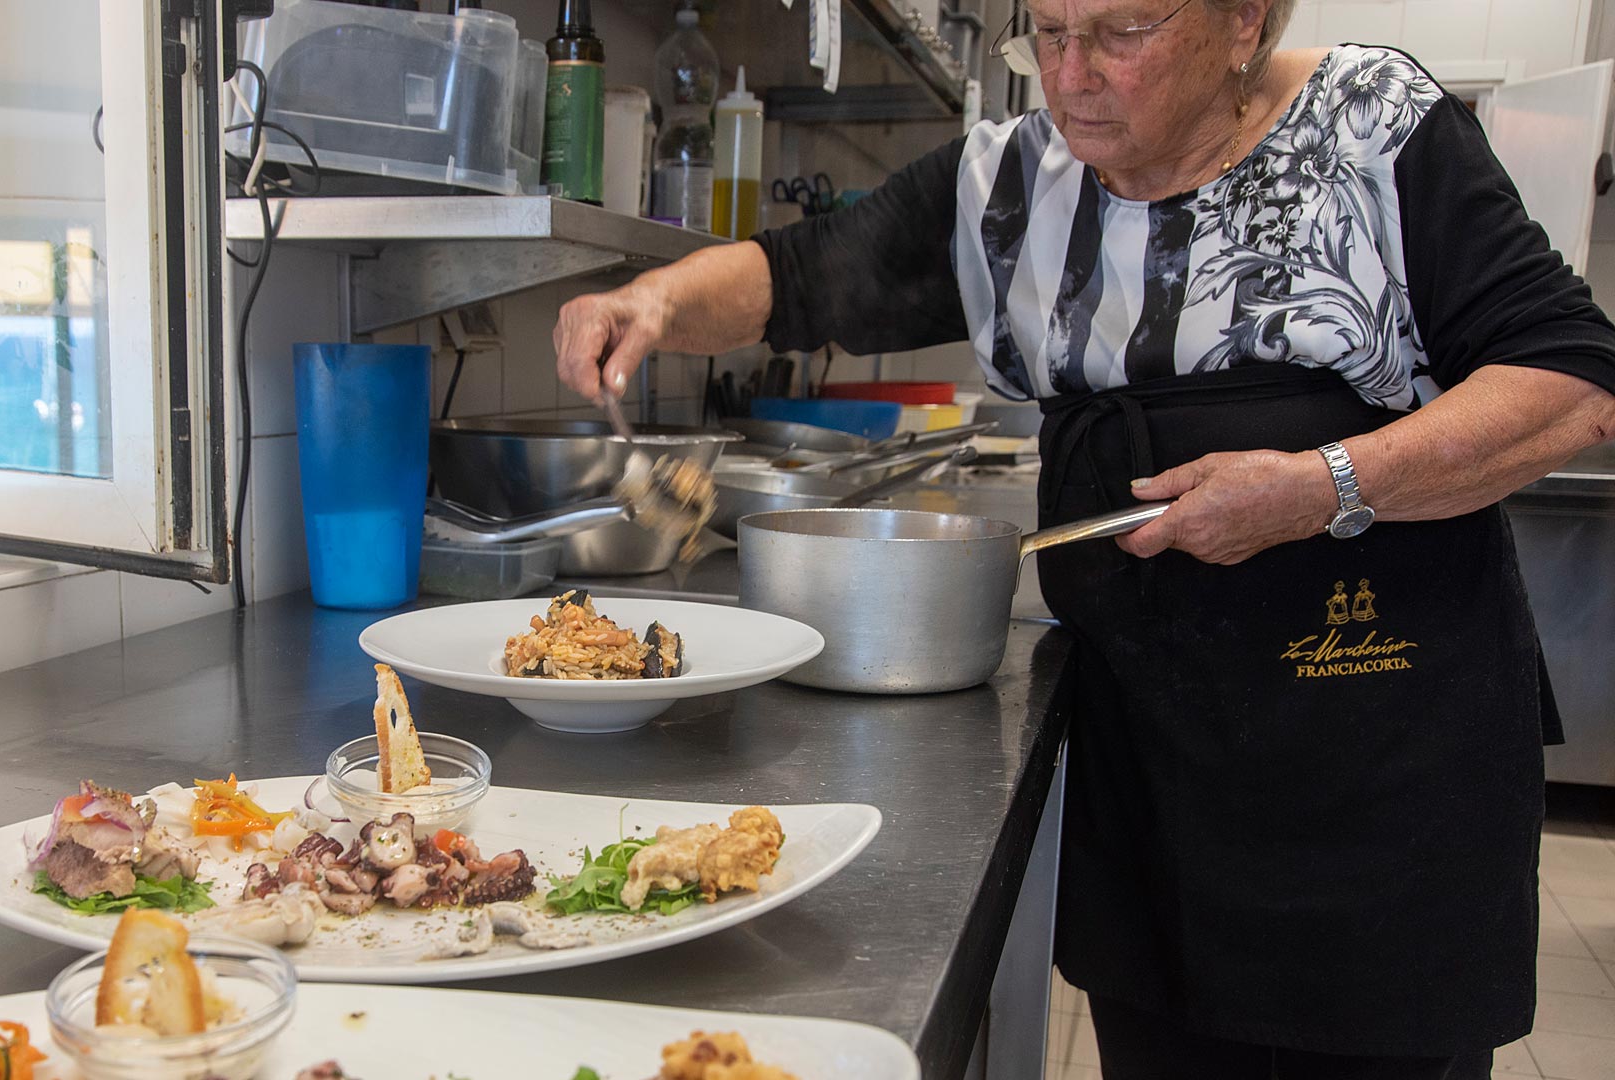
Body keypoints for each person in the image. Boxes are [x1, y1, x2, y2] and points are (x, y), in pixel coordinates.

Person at [551, 2, 1615, 1077]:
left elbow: (1573, 383)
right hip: (1155, 757)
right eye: (1048, 35)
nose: (1071, 75)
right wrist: (654, 299)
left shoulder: (1373, 127)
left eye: (1119, 34)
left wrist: (1315, 487)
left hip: (1372, 759)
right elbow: (801, 271)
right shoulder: (1016, 179)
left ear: (1242, 19)